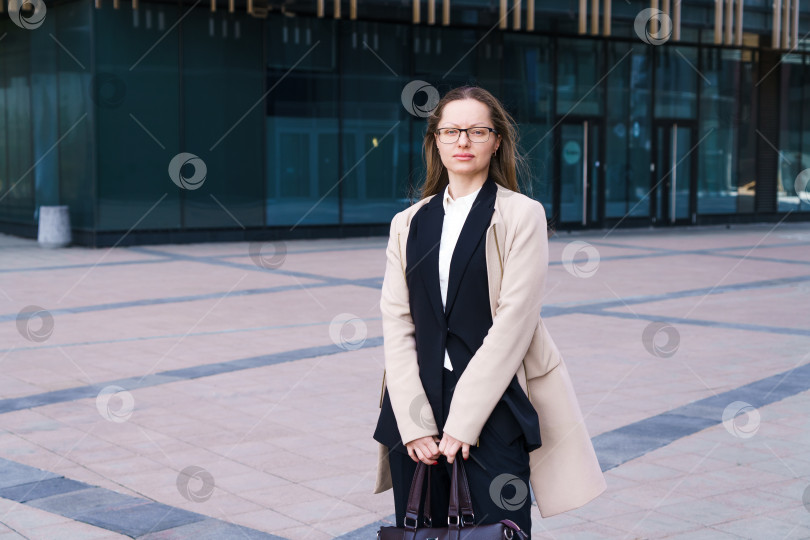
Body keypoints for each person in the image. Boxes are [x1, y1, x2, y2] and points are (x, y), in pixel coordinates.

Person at [372, 85, 606, 534]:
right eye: (451, 131)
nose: (463, 141)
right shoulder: (408, 223)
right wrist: (415, 422)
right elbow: (396, 323)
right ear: (435, 141)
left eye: (477, 131)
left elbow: (513, 324)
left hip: (492, 408)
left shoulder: (522, 214)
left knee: (497, 530)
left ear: (496, 141)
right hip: (412, 406)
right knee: (419, 530)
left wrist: (462, 421)